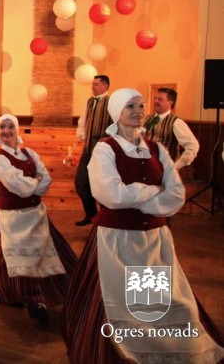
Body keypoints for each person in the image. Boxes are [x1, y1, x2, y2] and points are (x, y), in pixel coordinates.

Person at [62, 88, 224, 363]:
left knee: (156, 299)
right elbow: (111, 195)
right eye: (131, 106)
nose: (138, 111)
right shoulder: (105, 148)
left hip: (154, 239)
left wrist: (139, 198)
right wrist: (153, 191)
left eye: (141, 105)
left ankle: (162, 344)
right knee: (120, 298)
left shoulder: (157, 149)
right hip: (117, 239)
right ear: (117, 112)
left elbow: (176, 194)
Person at [0, 114, 78, 325]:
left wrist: (33, 184)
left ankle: (37, 297)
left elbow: (46, 179)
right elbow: (18, 187)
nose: (6, 131)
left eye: (11, 127)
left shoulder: (30, 153)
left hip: (35, 213)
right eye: (3, 127)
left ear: (17, 130)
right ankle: (18, 295)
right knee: (14, 258)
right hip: (11, 217)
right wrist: (34, 182)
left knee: (40, 255)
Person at [74, 74, 113, 226]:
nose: (93, 87)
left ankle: (105, 218)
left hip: (104, 153)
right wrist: (81, 135)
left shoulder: (111, 102)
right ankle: (91, 214)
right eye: (93, 84)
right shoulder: (90, 102)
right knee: (81, 183)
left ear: (105, 86)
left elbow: (117, 125)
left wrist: (109, 138)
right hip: (88, 149)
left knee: (103, 186)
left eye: (96, 84)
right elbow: (83, 121)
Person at [144, 87, 199, 171]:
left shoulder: (176, 122)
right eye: (155, 98)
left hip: (163, 170)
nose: (156, 101)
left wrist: (175, 167)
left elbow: (193, 146)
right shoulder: (148, 118)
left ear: (170, 103)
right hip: (146, 168)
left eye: (160, 99)